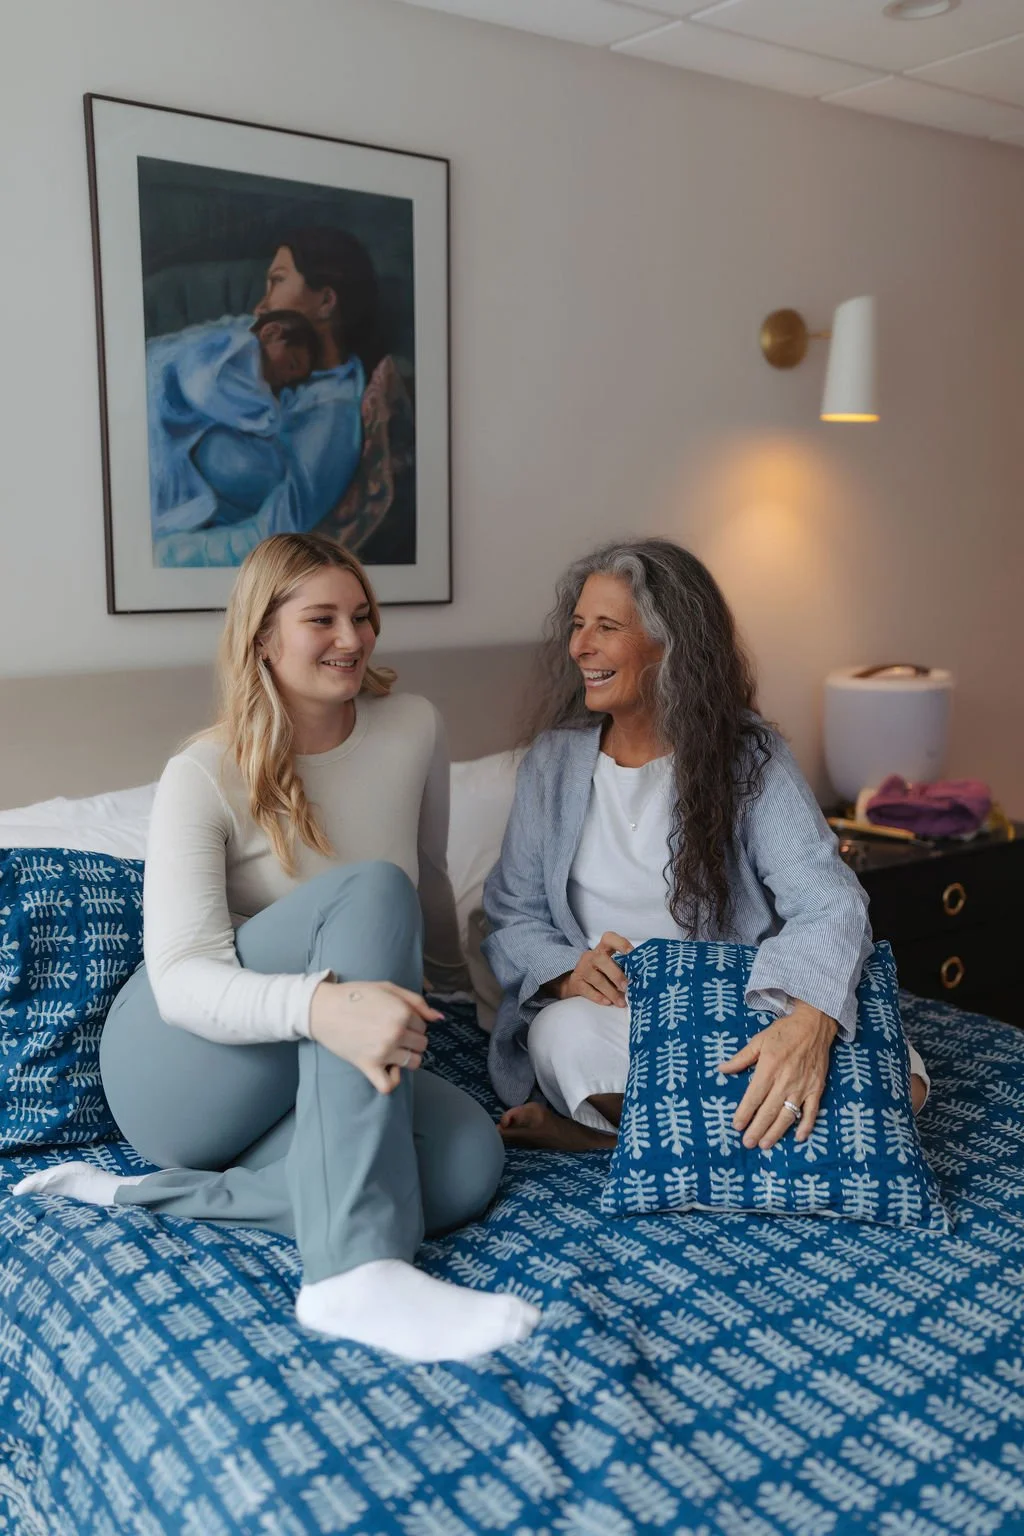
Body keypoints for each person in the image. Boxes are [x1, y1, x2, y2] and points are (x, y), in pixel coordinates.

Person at [15, 534, 538, 1363]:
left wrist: (469, 1016)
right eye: (321, 619)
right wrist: (322, 1006)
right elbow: (184, 980)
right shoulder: (204, 770)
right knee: (371, 888)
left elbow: (433, 881)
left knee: (467, 1162)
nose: (352, 638)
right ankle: (352, 1272)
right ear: (262, 634)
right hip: (181, 1064)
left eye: (362, 616)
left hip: (301, 1073)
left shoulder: (410, 728)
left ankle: (140, 1195)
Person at [483, 538, 930, 1153]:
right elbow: (513, 913)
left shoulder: (749, 757)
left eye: (607, 627)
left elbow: (828, 900)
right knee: (561, 1041)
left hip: (746, 1000)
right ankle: (778, 1138)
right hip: (627, 1016)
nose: (580, 647)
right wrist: (565, 973)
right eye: (578, 625)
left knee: (903, 1077)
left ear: (672, 645)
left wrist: (807, 1022)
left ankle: (621, 1143)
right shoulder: (553, 764)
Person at [153, 227, 380, 565]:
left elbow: (271, 537)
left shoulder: (330, 415)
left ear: (326, 301)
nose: (261, 304)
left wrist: (163, 554)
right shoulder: (267, 336)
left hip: (183, 537)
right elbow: (175, 357)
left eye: (277, 281)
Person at [147, 310, 324, 537]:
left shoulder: (251, 368)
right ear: (271, 333)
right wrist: (268, 412)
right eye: (291, 364)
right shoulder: (240, 345)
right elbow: (204, 388)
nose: (288, 378)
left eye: (295, 377)